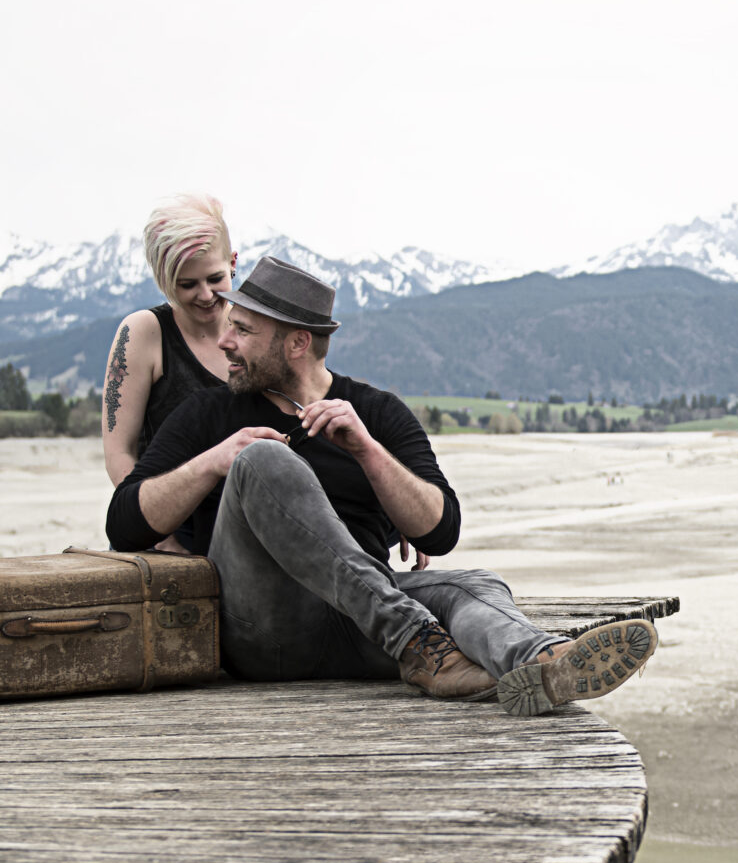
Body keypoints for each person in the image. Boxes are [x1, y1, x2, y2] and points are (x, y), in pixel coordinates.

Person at [105, 253, 655, 715]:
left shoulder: (375, 412)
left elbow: (441, 530)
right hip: (265, 631)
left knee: (474, 586)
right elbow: (124, 523)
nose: (223, 341)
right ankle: (418, 641)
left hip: (361, 627)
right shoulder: (208, 415)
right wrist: (214, 463)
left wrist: (369, 453)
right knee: (263, 461)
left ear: (296, 343)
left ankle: (544, 664)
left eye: (243, 330)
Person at [101, 194, 237, 488]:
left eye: (215, 278)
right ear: (163, 280)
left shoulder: (259, 330)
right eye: (187, 284)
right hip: (164, 519)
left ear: (233, 262)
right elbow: (119, 454)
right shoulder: (143, 333)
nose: (205, 295)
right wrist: (154, 528)